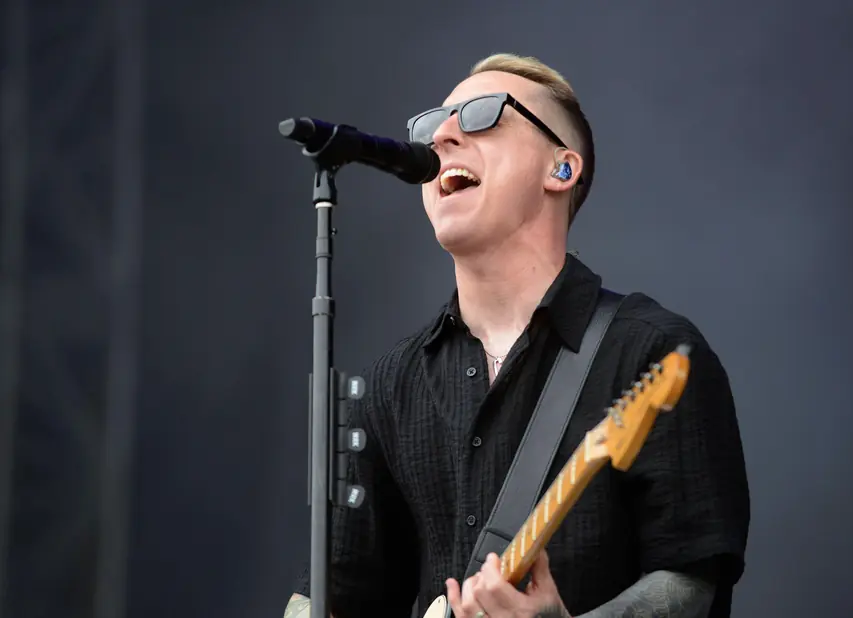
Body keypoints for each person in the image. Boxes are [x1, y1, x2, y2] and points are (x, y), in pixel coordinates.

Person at [285, 53, 750, 618]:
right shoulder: (394, 382)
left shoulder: (653, 353)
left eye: (482, 116)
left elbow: (691, 588)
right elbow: (337, 593)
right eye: (434, 123)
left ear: (561, 169)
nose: (444, 136)